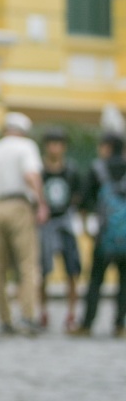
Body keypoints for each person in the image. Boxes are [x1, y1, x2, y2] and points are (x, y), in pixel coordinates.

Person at [0, 111, 48, 336]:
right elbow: (31, 175)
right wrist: (41, 203)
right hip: (19, 205)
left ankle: (4, 319)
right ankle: (27, 316)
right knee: (27, 264)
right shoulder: (26, 147)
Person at [75, 133, 126, 337]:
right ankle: (119, 325)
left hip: (104, 237)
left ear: (107, 147)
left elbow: (83, 201)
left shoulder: (98, 169)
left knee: (95, 280)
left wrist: (87, 228)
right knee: (124, 283)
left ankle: (87, 324)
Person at [38, 128, 81, 333]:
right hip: (46, 224)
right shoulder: (40, 171)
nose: (55, 148)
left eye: (58, 144)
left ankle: (71, 312)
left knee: (72, 269)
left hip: (65, 220)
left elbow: (78, 196)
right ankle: (42, 310)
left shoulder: (71, 171)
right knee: (42, 269)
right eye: (51, 143)